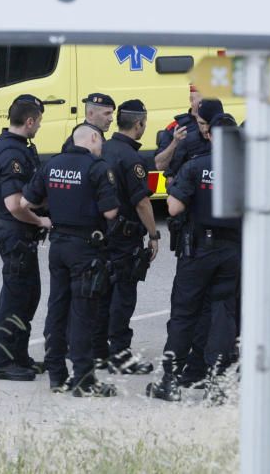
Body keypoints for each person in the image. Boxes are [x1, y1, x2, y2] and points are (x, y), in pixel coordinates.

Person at [147, 103, 241, 404]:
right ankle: (218, 384)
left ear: (211, 136)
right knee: (223, 314)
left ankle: (170, 380)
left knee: (184, 314)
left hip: (199, 248)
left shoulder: (196, 165)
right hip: (233, 250)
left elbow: (173, 207)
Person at [21, 124, 121, 397]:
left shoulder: (52, 164)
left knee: (58, 307)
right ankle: (84, 380)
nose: (101, 147)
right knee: (83, 313)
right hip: (86, 248)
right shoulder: (97, 167)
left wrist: (49, 214)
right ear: (92, 138)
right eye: (100, 141)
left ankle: (57, 375)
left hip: (58, 245)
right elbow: (111, 212)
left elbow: (25, 203)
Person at [0, 95, 52, 382]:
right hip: (15, 233)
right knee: (16, 299)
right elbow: (15, 204)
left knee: (28, 296)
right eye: (38, 121)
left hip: (19, 235)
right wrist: (41, 220)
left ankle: (19, 356)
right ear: (29, 121)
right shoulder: (13, 154)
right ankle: (1, 362)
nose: (39, 126)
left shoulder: (12, 145)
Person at [93, 99, 161, 374]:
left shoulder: (103, 149)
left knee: (102, 294)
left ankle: (98, 352)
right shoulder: (131, 159)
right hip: (124, 238)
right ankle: (120, 355)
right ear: (139, 123)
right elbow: (142, 203)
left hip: (102, 234)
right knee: (123, 296)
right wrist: (154, 235)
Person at [154, 84, 206, 184]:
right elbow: (159, 165)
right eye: (200, 100)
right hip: (184, 186)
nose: (203, 105)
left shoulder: (219, 125)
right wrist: (175, 142)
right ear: (191, 100)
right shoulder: (176, 127)